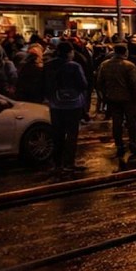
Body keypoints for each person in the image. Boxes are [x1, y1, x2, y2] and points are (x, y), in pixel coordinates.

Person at [43, 40, 89, 177]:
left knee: (58, 134)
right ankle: (69, 163)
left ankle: (57, 163)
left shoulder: (49, 65)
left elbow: (44, 83)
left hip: (55, 104)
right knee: (72, 134)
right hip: (73, 105)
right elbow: (83, 84)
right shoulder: (74, 66)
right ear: (69, 52)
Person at [97, 43, 136, 160]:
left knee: (116, 122)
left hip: (112, 98)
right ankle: (132, 143)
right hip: (128, 98)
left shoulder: (105, 65)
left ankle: (119, 145)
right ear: (125, 52)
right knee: (131, 121)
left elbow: (99, 82)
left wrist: (105, 95)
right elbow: (135, 84)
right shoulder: (129, 66)